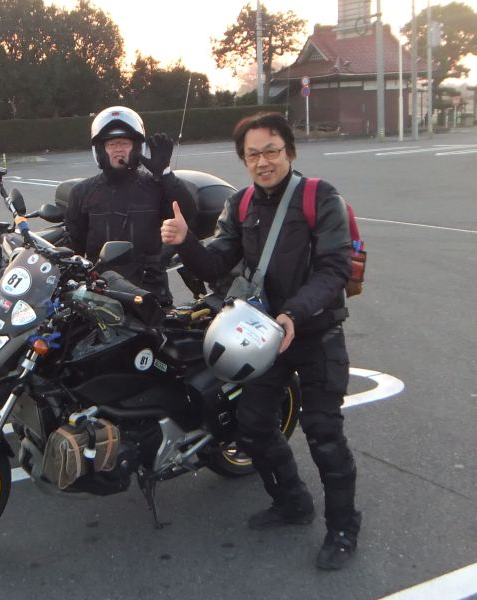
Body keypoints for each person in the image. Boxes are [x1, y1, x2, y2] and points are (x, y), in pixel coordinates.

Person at [160, 112, 361, 570]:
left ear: (289, 151)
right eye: (253, 154)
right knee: (251, 424)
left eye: (271, 151)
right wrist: (186, 242)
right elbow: (215, 264)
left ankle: (343, 527)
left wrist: (295, 313)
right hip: (264, 336)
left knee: (324, 433)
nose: (263, 161)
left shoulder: (319, 198)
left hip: (315, 332)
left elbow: (335, 269)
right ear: (243, 160)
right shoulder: (242, 203)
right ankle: (292, 501)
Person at [65, 106, 197, 306]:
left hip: (150, 293)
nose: (118, 149)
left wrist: (165, 173)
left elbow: (187, 213)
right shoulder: (82, 192)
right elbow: (73, 248)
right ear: (100, 150)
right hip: (101, 294)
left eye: (124, 143)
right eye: (111, 144)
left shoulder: (156, 186)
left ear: (136, 147)